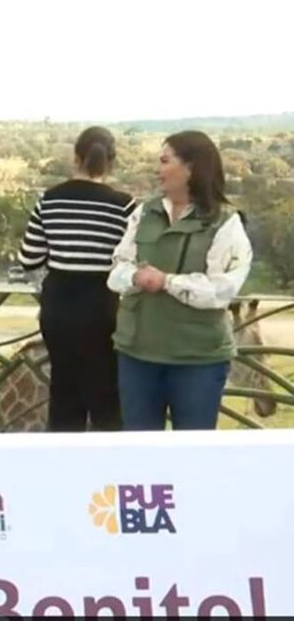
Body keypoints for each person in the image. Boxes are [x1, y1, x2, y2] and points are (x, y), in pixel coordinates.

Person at [107, 130, 253, 430]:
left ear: (191, 168)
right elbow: (117, 270)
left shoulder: (225, 223)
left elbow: (221, 289)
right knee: (140, 453)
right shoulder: (142, 213)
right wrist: (136, 275)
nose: (157, 169)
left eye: (165, 161)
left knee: (193, 457)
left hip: (197, 360)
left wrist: (167, 282)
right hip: (137, 355)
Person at [18, 126, 135, 431]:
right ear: (112, 162)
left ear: (75, 158)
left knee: (64, 396)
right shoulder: (124, 205)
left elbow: (29, 258)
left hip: (59, 309)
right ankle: (110, 474)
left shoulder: (50, 199)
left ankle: (64, 470)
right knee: (106, 399)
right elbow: (134, 260)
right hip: (103, 308)